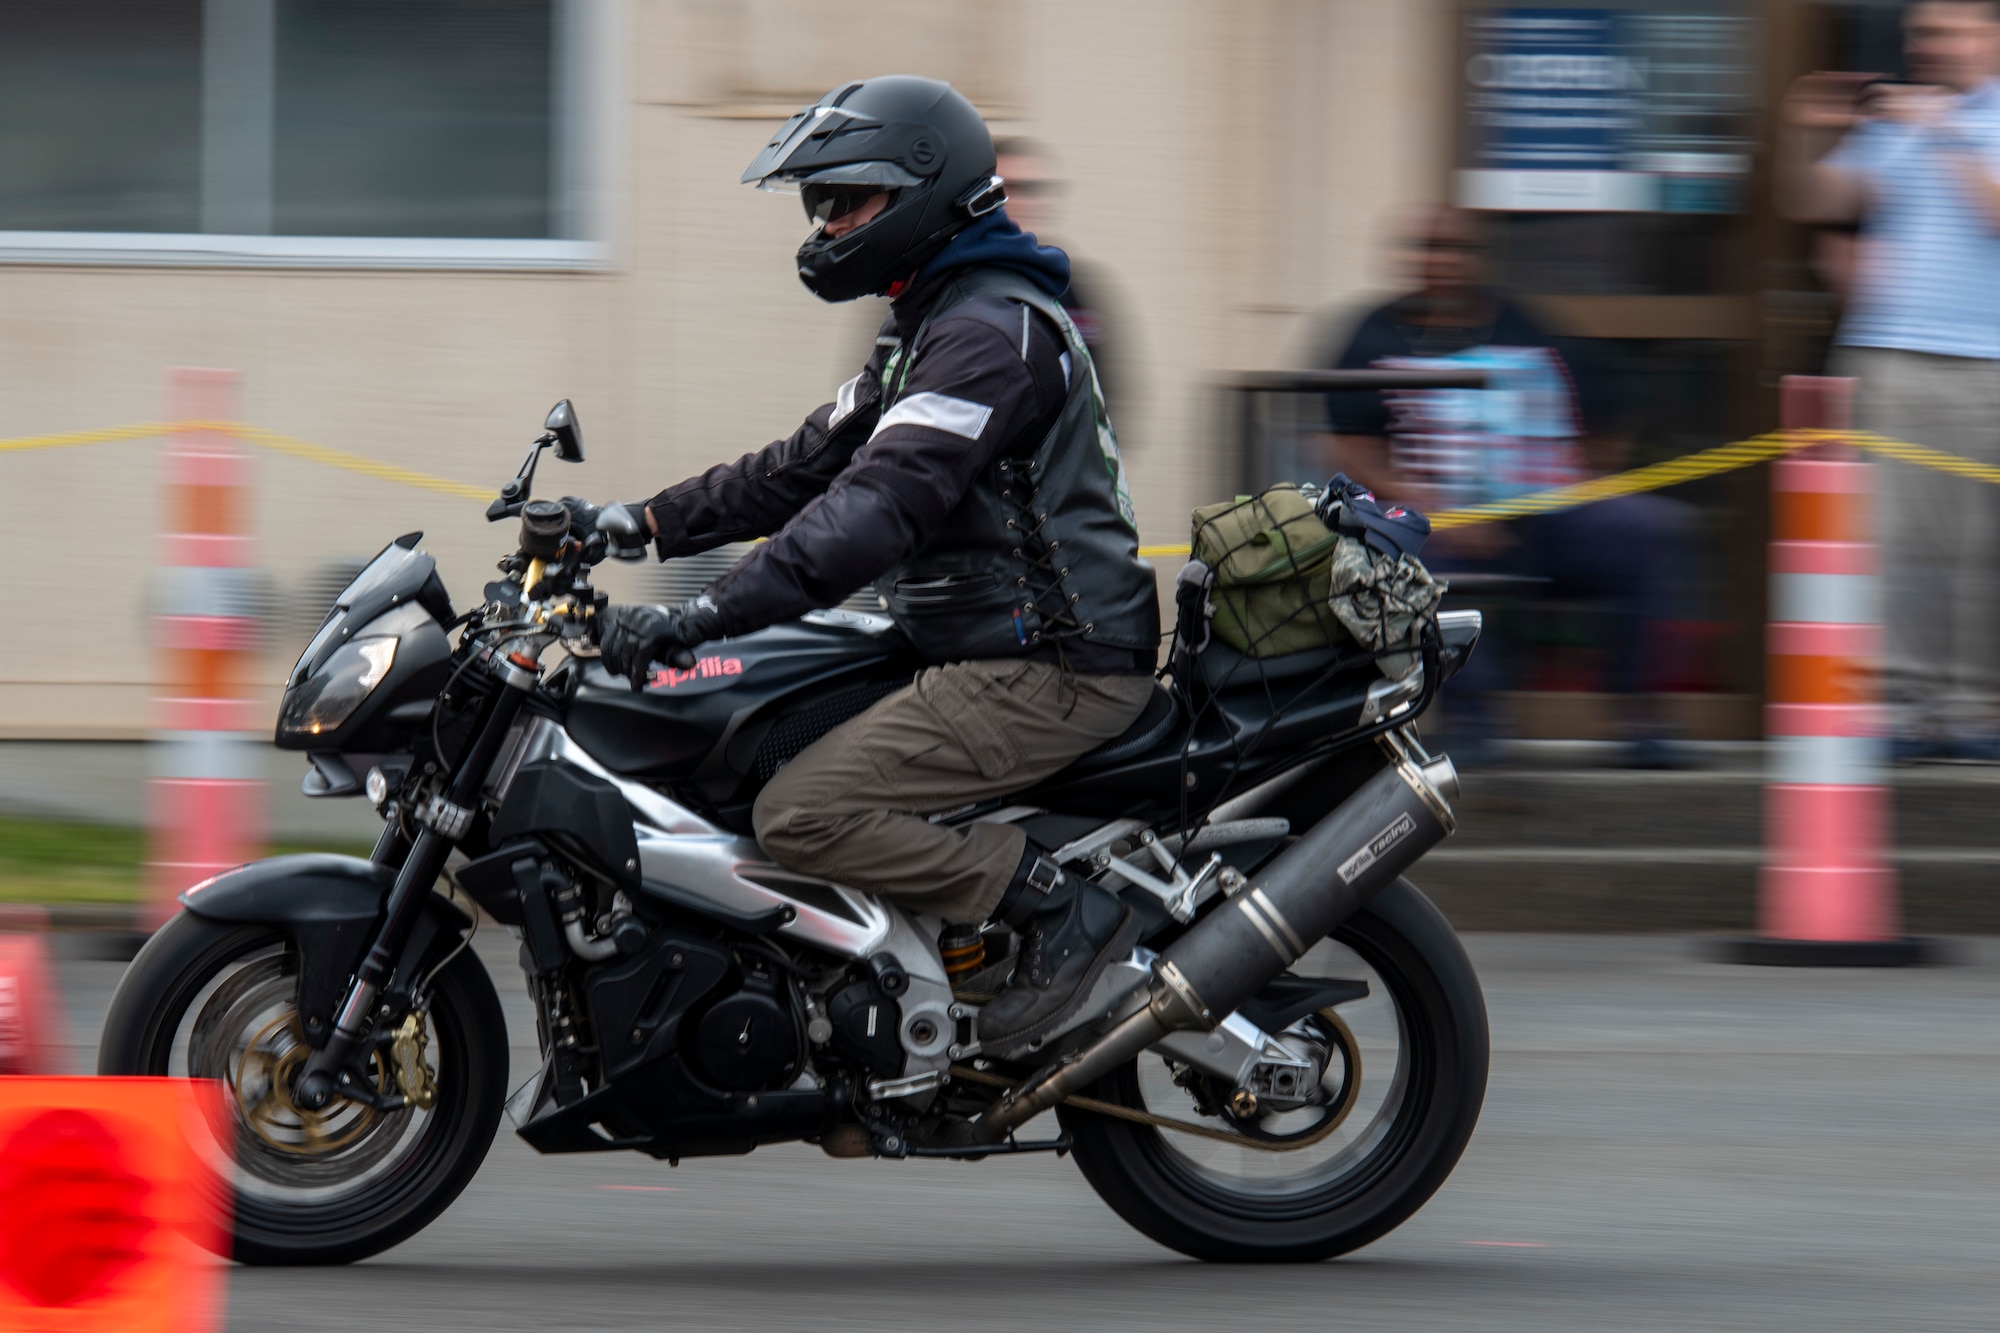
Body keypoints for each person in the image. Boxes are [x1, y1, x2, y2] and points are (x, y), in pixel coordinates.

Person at [585, 77, 1160, 1059]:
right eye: (819, 205)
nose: (827, 224)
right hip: (971, 645)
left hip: (1048, 668)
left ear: (924, 192)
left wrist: (700, 617)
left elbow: (873, 510)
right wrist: (638, 523)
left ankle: (1048, 903)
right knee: (753, 738)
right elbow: (807, 465)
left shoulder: (987, 335)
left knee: (803, 810)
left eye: (848, 200)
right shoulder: (931, 324)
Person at [1320, 205, 1690, 766]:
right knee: (1434, 553)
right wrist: (1442, 511)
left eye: (1457, 249)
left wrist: (1581, 481)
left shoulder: (1523, 324)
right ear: (1411, 259)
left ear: (1479, 259)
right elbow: (1346, 448)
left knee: (1646, 532)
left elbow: (1605, 406)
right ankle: (1475, 726)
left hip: (1544, 513)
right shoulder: (1372, 334)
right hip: (1439, 520)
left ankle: (1643, 720)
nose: (1444, 262)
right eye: (1430, 248)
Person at [1778, 0, 2000, 762]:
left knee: (1981, 544)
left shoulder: (1957, 121)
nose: (1925, 46)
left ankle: (1975, 712)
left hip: (1988, 360)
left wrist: (1944, 131)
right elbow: (1818, 202)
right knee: (1893, 539)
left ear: (1990, 35)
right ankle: (1902, 705)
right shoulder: (1894, 123)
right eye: (1919, 34)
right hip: (1891, 353)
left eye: (1943, 31)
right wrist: (1809, 129)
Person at [993, 136, 1128, 429]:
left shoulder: (1073, 290)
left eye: (1033, 189)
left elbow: (1104, 391)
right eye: (1009, 188)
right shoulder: (944, 286)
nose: (1022, 201)